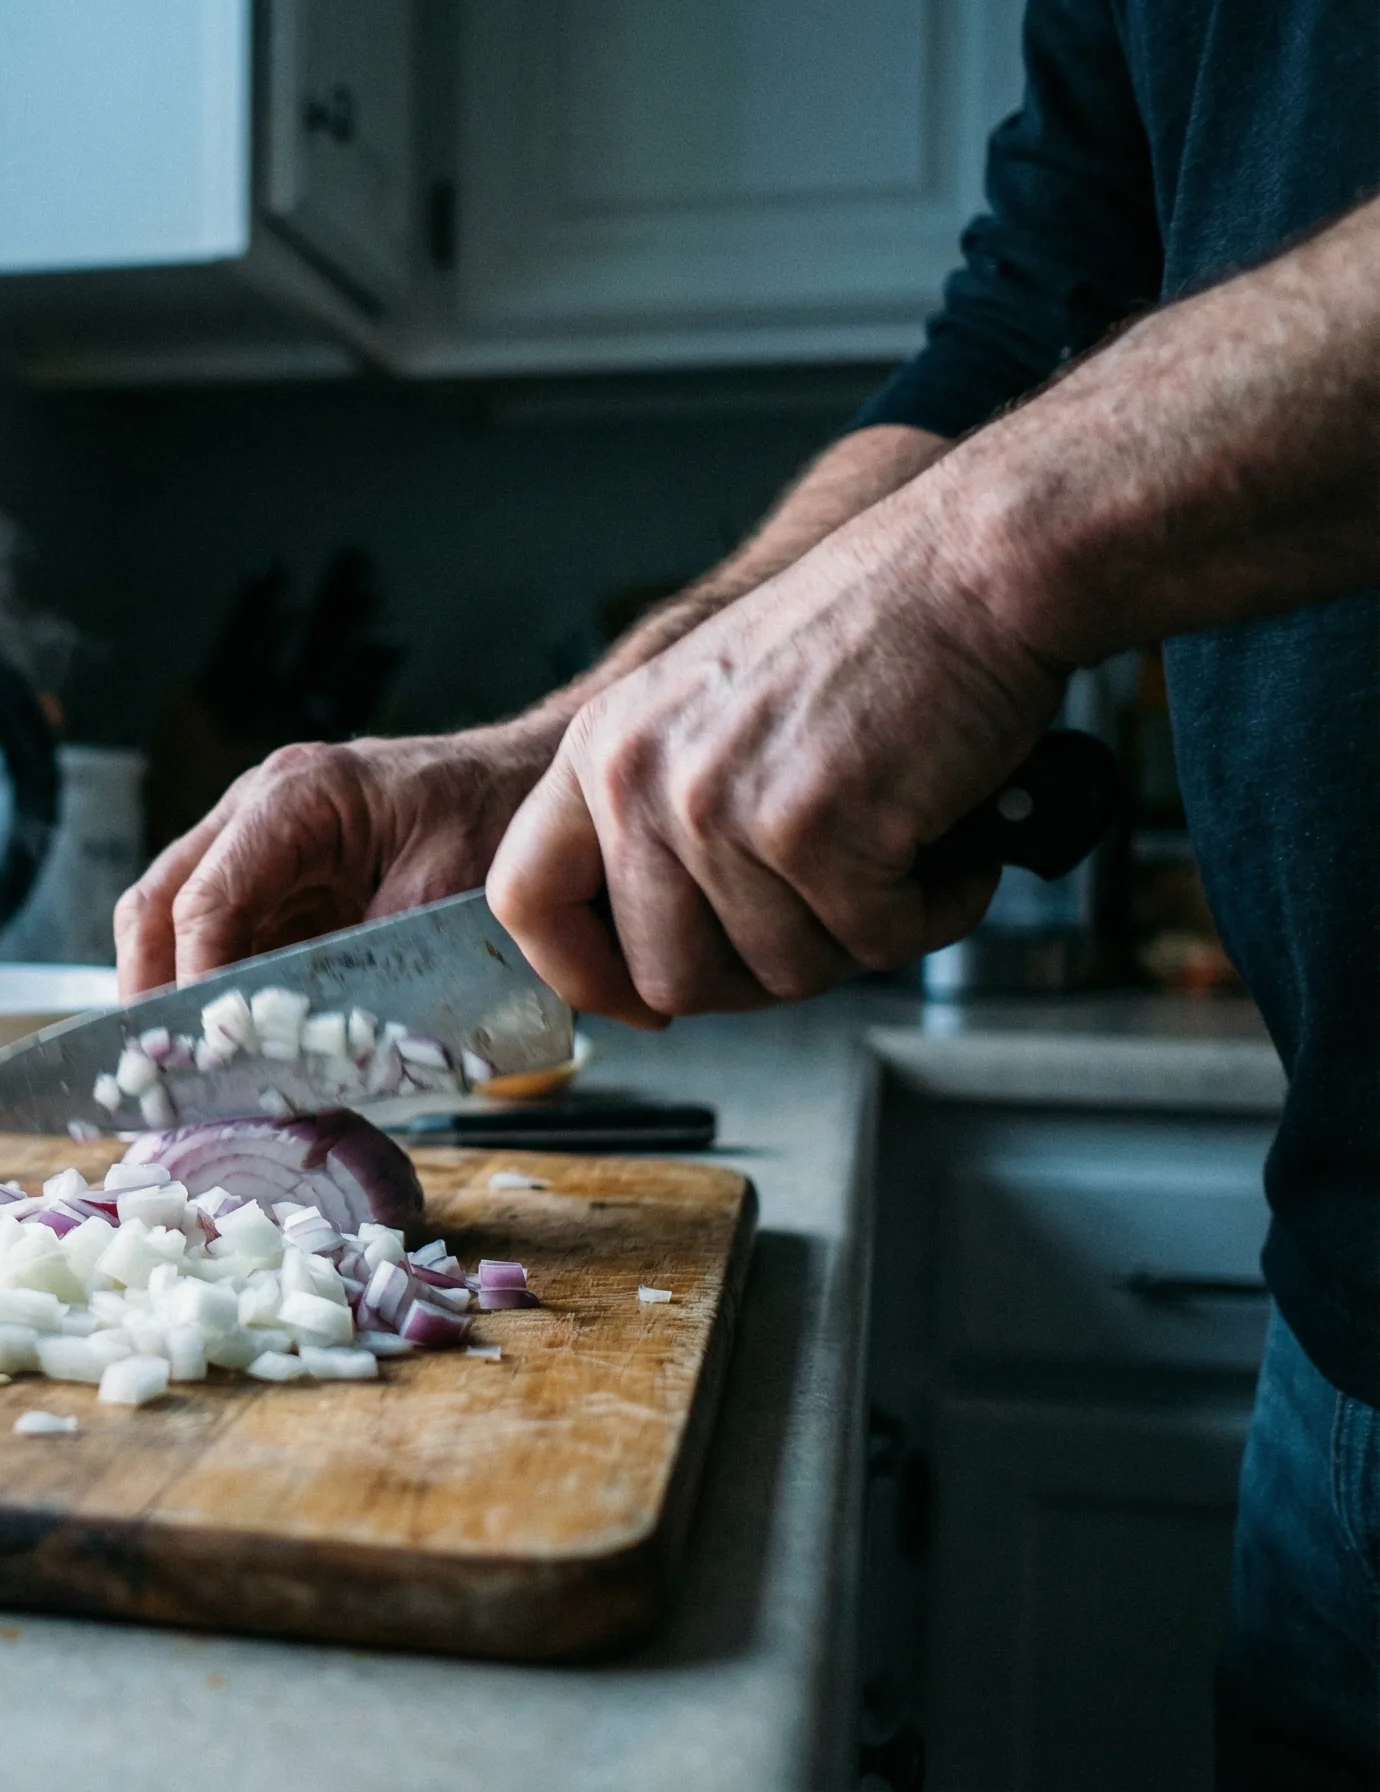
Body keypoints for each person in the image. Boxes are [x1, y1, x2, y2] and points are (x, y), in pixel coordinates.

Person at [114, 4, 1378, 1784]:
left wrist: (977, 569)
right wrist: (547, 763)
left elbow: (979, 506)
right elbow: (1027, 328)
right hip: (1344, 1332)